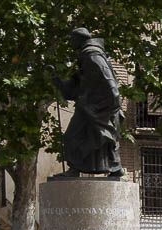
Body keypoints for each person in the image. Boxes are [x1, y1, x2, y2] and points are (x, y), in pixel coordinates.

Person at [52, 27, 125, 177]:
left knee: (74, 136)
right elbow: (79, 86)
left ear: (80, 39)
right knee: (94, 137)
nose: (70, 42)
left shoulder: (92, 56)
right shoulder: (85, 56)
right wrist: (58, 81)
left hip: (97, 107)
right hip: (90, 105)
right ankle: (113, 168)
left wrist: (109, 106)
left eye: (72, 39)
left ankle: (76, 169)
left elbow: (109, 81)